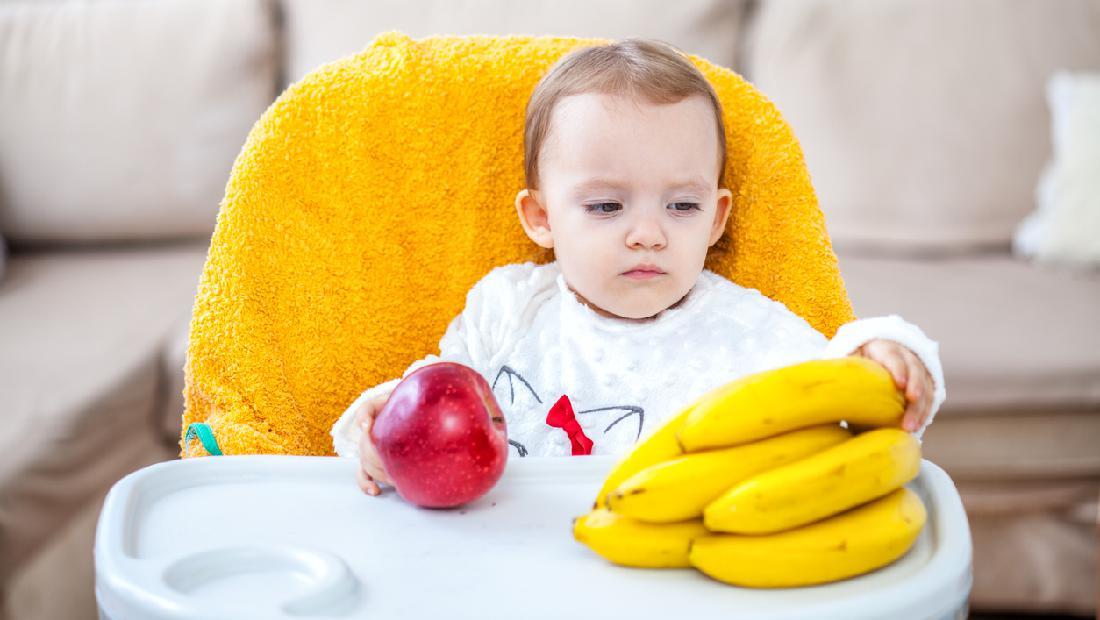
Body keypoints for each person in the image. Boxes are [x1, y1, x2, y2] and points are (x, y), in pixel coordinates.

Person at [331, 39, 945, 497]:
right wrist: (379, 433)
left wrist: (888, 352)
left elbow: (847, 405)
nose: (649, 233)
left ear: (716, 218)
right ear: (542, 218)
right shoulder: (506, 307)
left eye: (682, 205)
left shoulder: (749, 332)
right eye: (606, 205)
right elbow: (430, 401)